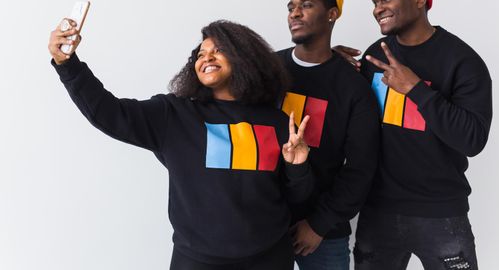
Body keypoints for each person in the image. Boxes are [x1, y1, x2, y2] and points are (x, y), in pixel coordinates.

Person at [48, 19, 314, 270]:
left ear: (243, 57)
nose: (206, 57)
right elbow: (109, 114)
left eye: (218, 50)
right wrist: (68, 64)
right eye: (200, 54)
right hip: (198, 260)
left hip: (269, 258)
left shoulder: (278, 122)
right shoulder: (174, 115)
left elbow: (296, 199)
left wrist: (298, 165)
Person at [352, 0, 492, 270]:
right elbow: (356, 125)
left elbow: (472, 140)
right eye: (375, 2)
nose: (377, 8)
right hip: (378, 211)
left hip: (441, 214)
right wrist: (331, 65)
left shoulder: (462, 61)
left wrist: (415, 89)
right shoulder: (375, 55)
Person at [278, 0, 381, 269]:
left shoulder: (353, 87)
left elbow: (361, 168)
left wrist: (319, 225)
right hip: (266, 222)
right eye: (291, 7)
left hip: (323, 232)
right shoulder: (269, 69)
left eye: (306, 5)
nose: (294, 13)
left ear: (332, 14)